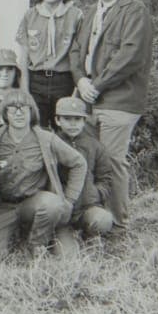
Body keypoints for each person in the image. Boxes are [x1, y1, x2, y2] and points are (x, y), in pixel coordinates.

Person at [69, 0, 153, 232]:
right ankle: (94, 222)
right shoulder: (91, 11)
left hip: (119, 100)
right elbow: (76, 50)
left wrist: (97, 85)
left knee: (113, 162)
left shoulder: (134, 10)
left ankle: (118, 227)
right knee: (88, 159)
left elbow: (130, 57)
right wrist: (80, 80)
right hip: (89, 98)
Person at [0, 90, 87, 259]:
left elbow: (79, 163)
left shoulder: (45, 138)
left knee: (53, 205)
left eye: (25, 108)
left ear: (32, 112)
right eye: (13, 108)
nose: (19, 113)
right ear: (5, 113)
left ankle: (36, 246)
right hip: (2, 206)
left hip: (33, 202)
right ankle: (18, 235)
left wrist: (70, 200)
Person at [15, 0, 84, 128]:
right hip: (36, 80)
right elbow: (23, 57)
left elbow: (80, 55)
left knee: (64, 129)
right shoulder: (30, 15)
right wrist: (25, 89)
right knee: (37, 128)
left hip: (64, 80)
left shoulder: (75, 15)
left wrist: (77, 88)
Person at [51, 96, 114, 254]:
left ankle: (90, 235)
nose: (73, 124)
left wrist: (95, 193)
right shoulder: (51, 143)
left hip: (87, 208)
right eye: (67, 119)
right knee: (67, 256)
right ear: (57, 120)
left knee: (103, 220)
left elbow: (105, 177)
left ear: (84, 121)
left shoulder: (94, 145)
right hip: (61, 213)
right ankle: (59, 237)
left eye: (77, 119)